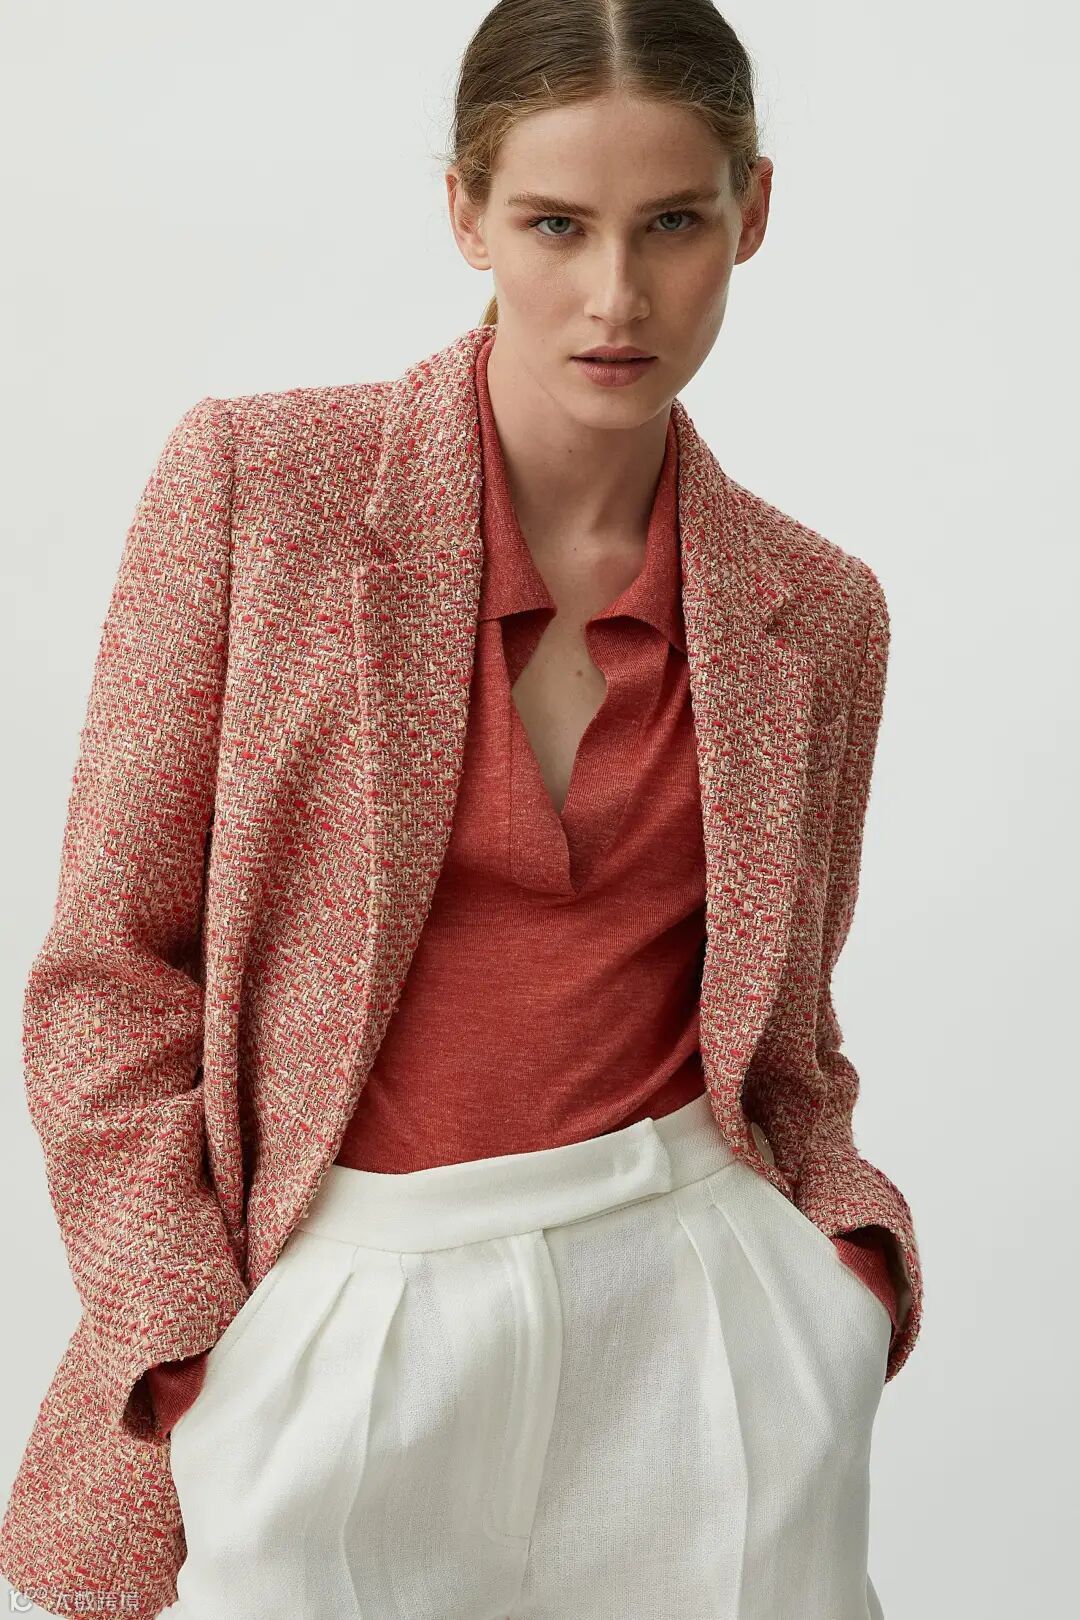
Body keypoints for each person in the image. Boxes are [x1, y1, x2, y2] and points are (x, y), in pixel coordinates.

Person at [0, 2, 922, 1617]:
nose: (615, 295)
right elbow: (109, 973)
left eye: (673, 224)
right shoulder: (258, 491)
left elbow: (786, 1040)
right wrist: (198, 1357)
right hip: (337, 1318)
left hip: (698, 1324)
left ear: (753, 213)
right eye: (557, 224)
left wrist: (841, 1282)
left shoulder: (818, 612)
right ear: (466, 213)